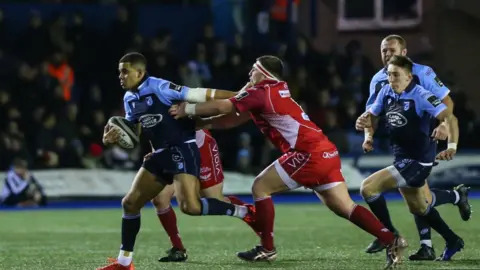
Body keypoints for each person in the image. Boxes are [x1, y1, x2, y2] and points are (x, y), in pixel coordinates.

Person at [170, 55, 408, 269]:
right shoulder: (275, 89)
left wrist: (187, 109)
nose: (249, 74)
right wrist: (203, 123)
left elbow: (225, 106)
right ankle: (391, 240)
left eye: (252, 70)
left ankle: (267, 247)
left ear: (262, 72)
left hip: (307, 154)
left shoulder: (261, 90)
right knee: (345, 207)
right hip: (325, 152)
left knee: (260, 187)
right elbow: (232, 119)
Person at [97, 52, 254, 270]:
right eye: (119, 72)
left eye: (125, 71)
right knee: (130, 203)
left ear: (140, 72)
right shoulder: (129, 99)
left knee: (190, 206)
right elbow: (137, 131)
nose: (120, 76)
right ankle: (124, 263)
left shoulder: (159, 87)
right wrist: (111, 139)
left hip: (182, 148)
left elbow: (201, 93)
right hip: (160, 153)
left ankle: (244, 211)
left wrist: (239, 96)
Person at [357, 34, 471, 260]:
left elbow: (447, 109)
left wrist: (446, 130)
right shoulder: (382, 84)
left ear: (405, 56)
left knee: (368, 188)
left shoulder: (422, 83)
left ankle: (389, 236)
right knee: (420, 206)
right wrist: (366, 131)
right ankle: (452, 236)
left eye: (391, 50)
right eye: (383, 51)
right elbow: (371, 114)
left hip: (420, 154)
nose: (387, 55)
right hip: (401, 152)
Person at [151, 128, 258, 262]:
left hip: (199, 147)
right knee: (159, 198)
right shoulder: (135, 108)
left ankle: (260, 227)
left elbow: (202, 119)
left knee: (215, 200)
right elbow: (152, 127)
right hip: (171, 152)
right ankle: (178, 249)